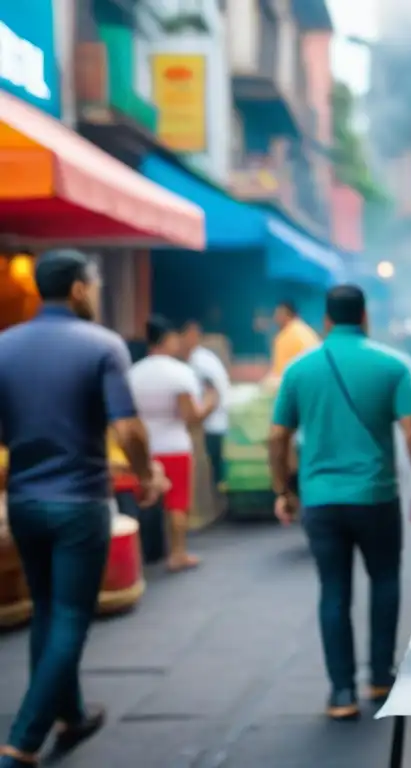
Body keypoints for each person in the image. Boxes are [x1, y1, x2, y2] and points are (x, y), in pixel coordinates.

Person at [0, 251, 158, 768]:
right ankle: (22, 741)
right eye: (93, 284)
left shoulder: (4, 345)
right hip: (80, 501)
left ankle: (70, 713)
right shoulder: (103, 344)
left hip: (23, 500)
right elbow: (129, 427)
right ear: (77, 290)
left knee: (47, 608)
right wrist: (147, 473)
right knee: (69, 615)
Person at [268, 284, 411, 721]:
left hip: (320, 502)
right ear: (365, 318)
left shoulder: (298, 369)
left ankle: (341, 692)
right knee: (384, 581)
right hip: (376, 497)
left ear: (325, 321)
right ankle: (380, 676)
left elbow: (277, 435)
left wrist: (283, 490)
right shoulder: (392, 364)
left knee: (334, 591)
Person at [128, 316, 216, 572]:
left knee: (144, 501)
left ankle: (141, 556)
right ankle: (177, 553)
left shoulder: (133, 373)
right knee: (177, 502)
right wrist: (211, 400)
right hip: (175, 445)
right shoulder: (180, 373)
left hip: (143, 446)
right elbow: (192, 417)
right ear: (167, 340)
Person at [180, 321, 232, 491]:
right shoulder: (200, 357)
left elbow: (212, 394)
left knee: (214, 471)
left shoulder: (199, 360)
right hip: (213, 421)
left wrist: (197, 418)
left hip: (212, 423)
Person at [269, 300, 320, 379]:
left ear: (287, 316)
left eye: (278, 314)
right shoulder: (306, 330)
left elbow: (280, 374)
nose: (275, 318)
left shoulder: (284, 336)